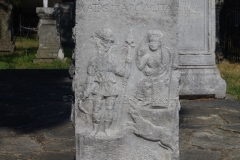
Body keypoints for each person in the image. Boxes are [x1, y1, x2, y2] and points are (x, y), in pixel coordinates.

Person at [83, 28, 128, 137]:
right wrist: (87, 89)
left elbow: (122, 73)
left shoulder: (113, 58)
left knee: (109, 108)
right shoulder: (94, 59)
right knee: (96, 108)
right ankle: (95, 129)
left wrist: (128, 65)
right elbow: (90, 75)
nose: (104, 45)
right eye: (104, 42)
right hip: (98, 86)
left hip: (111, 86)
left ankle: (107, 129)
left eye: (109, 42)